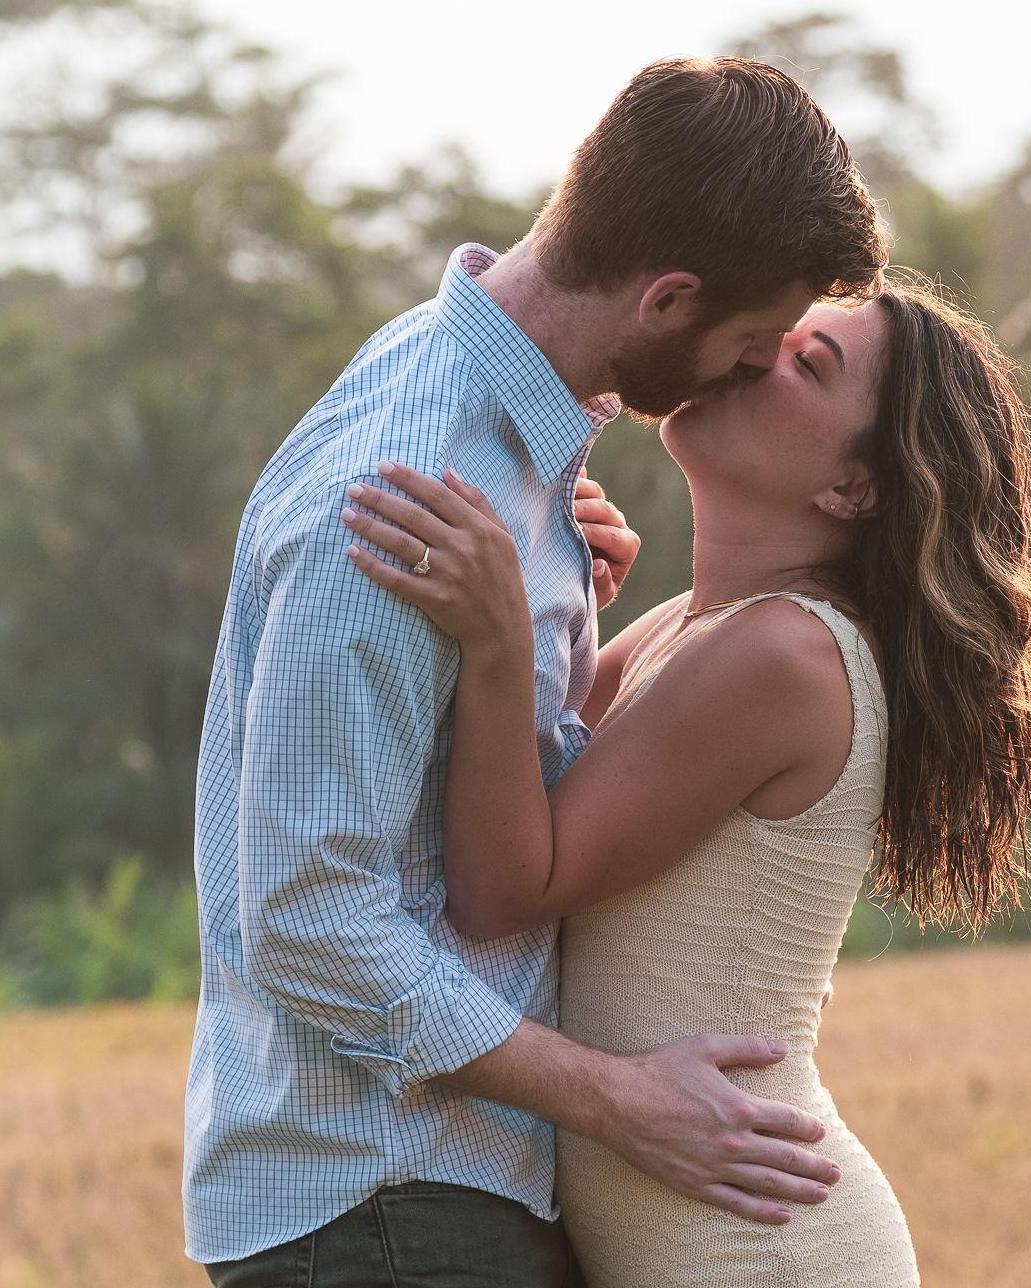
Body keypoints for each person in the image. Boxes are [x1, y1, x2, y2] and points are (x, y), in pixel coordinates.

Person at [184, 56, 888, 1286]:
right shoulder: (409, 491)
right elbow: (307, 914)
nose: (751, 368)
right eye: (751, 342)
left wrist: (553, 626)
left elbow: (456, 800)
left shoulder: (501, 453)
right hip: (385, 1201)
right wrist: (611, 1097)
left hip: (430, 1198)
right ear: (668, 299)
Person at [342, 274, 1031, 1286]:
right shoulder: (690, 628)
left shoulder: (783, 655)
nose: (759, 351)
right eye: (775, 330)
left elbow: (502, 886)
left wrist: (504, 638)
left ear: (852, 488)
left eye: (809, 362)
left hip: (762, 1253)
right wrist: (557, 601)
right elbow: (526, 775)